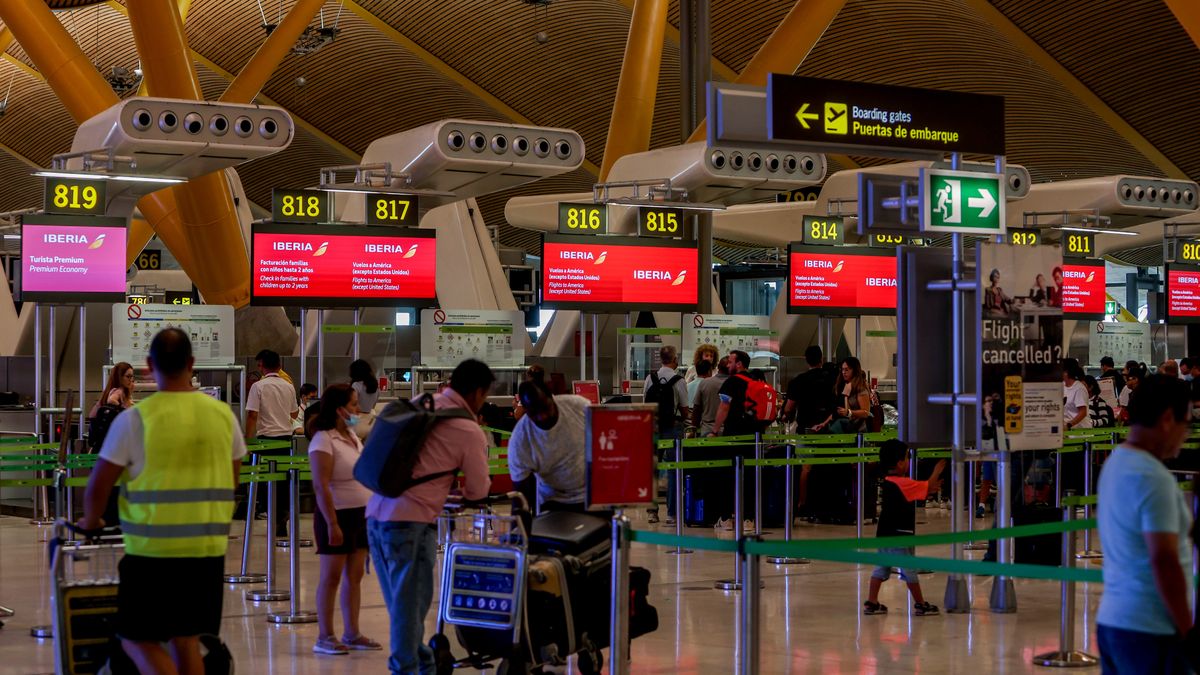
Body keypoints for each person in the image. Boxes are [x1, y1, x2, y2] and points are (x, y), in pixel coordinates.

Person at [77, 328, 245, 674]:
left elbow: (98, 485)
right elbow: (232, 479)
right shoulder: (222, 416)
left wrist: (91, 520)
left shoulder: (135, 419)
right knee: (186, 640)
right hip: (206, 553)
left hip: (152, 554)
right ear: (192, 364)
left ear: (150, 366)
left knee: (135, 638)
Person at [367, 359, 492, 674]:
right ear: (478, 392)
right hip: (411, 524)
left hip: (376, 514)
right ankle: (406, 668)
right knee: (409, 609)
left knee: (401, 605)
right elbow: (479, 490)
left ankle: (422, 661)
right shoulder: (467, 428)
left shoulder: (419, 404)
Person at [1096, 375, 1196, 673]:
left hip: (1113, 622)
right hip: (1151, 629)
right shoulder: (1154, 478)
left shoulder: (1116, 462)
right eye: (1186, 424)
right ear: (1167, 418)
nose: (1186, 435)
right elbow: (1164, 560)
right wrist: (1187, 629)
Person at [306, 384, 381, 655]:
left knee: (355, 575)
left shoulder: (351, 436)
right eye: (352, 404)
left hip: (360, 514)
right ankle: (325, 635)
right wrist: (332, 523)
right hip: (336, 515)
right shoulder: (323, 440)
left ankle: (352, 632)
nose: (357, 409)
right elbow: (321, 485)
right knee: (332, 576)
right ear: (338, 408)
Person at [863, 440, 945, 617]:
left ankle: (872, 602)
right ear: (900, 463)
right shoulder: (903, 482)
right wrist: (938, 469)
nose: (909, 460)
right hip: (900, 534)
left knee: (881, 567)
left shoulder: (888, 480)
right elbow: (927, 486)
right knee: (909, 570)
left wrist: (929, 488)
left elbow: (922, 490)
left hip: (884, 533)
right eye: (907, 457)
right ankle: (921, 604)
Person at [507, 379, 588, 513]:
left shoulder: (579, 407)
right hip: (553, 501)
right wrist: (519, 532)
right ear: (525, 411)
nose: (542, 417)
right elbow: (521, 499)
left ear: (552, 398)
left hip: (592, 495)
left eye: (545, 408)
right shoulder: (520, 441)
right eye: (534, 413)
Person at [245, 349, 297, 536]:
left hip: (266, 440)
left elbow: (252, 415)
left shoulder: (258, 387)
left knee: (265, 481)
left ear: (261, 366)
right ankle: (281, 520)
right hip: (285, 439)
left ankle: (268, 514)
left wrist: (248, 442)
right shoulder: (288, 386)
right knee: (283, 482)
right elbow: (294, 413)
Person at [645, 345, 689, 524]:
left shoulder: (650, 378)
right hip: (673, 427)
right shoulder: (679, 380)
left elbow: (644, 403)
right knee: (673, 470)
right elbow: (685, 409)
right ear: (675, 360)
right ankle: (672, 514)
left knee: (652, 470)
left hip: (653, 427)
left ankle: (652, 512)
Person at [710, 350, 767, 437]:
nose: (727, 365)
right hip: (755, 434)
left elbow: (724, 407)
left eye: (730, 362)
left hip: (735, 434)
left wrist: (714, 431)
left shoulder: (732, 381)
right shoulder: (756, 381)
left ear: (739, 364)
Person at [783, 345, 837, 433]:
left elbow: (788, 409)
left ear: (806, 360)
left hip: (805, 429)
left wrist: (788, 416)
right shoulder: (833, 379)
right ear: (821, 359)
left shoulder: (798, 381)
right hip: (829, 428)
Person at [814, 357, 872, 434]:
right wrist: (824, 423)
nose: (843, 372)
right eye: (842, 369)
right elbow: (839, 411)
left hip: (860, 431)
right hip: (849, 430)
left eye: (847, 370)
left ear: (854, 370)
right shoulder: (844, 386)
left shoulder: (860, 389)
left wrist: (849, 412)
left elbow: (866, 413)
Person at [693, 356, 729, 436]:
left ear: (718, 367)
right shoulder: (737, 384)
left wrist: (693, 429)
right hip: (730, 432)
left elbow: (697, 409)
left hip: (708, 430)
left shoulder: (705, 383)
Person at [1063, 359, 1092, 431]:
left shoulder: (1079, 388)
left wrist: (1068, 425)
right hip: (1069, 433)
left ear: (1066, 372)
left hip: (1080, 434)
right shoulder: (1062, 387)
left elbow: (1083, 412)